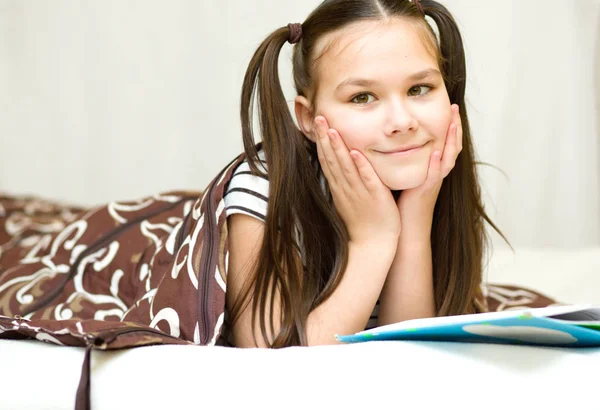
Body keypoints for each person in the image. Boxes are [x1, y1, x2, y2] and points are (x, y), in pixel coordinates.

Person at [222, 0, 510, 348]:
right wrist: (372, 241)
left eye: (419, 89)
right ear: (307, 119)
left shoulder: (437, 173)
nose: (402, 122)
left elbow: (406, 360)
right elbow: (275, 368)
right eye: (362, 97)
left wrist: (414, 221)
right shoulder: (263, 186)